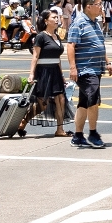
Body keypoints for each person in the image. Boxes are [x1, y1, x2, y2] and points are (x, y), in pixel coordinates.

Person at [67, 0, 112, 148]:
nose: (101, 7)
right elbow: (70, 46)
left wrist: (107, 62)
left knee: (84, 102)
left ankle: (78, 135)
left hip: (96, 68)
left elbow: (100, 44)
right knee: (93, 99)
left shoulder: (95, 23)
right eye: (98, 4)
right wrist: (73, 68)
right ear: (88, 6)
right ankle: (93, 134)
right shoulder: (78, 23)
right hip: (85, 69)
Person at [25, 10, 70, 138]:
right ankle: (24, 121)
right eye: (54, 18)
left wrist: (62, 75)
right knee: (43, 105)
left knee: (61, 99)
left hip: (55, 71)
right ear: (46, 21)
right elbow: (35, 56)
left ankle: (60, 129)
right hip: (43, 72)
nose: (57, 20)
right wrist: (31, 74)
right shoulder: (40, 37)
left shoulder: (57, 36)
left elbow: (58, 58)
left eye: (57, 17)